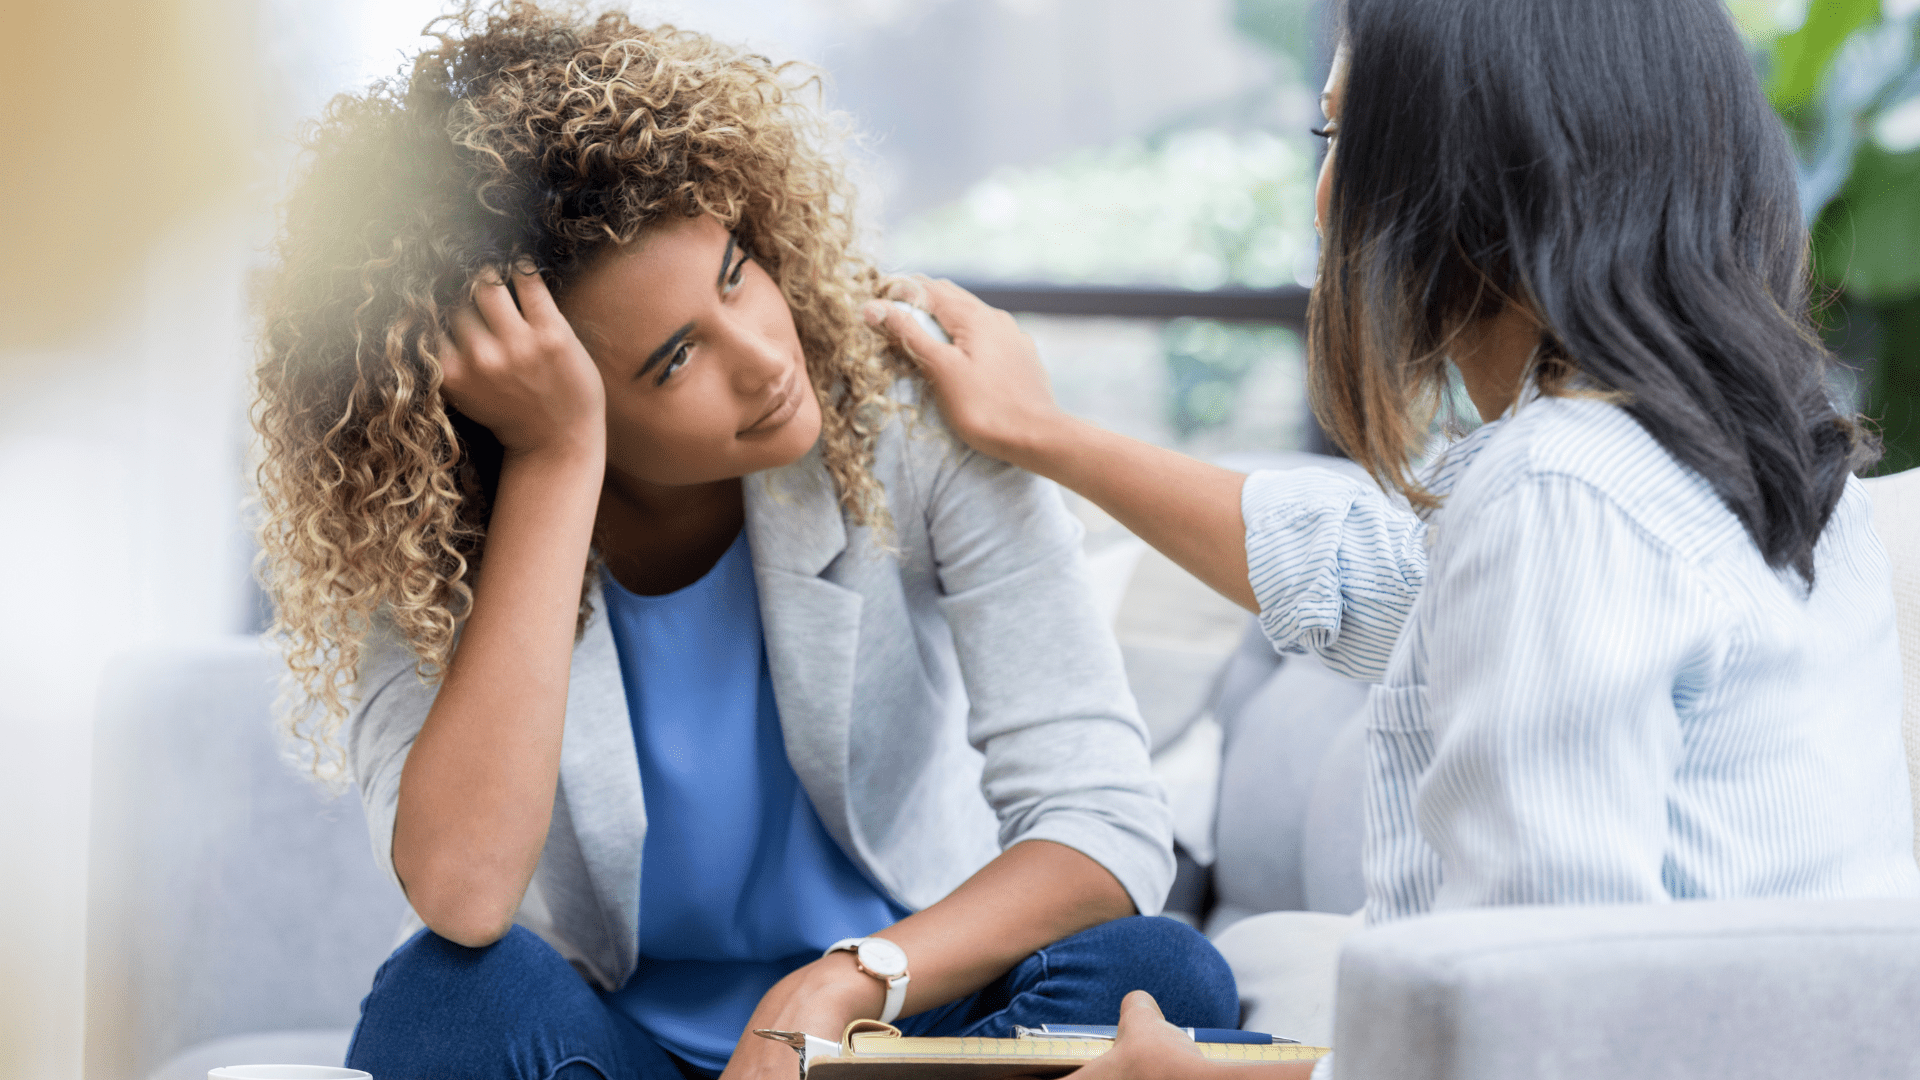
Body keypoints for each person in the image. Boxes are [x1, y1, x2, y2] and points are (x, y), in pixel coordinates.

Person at [865, 0, 1920, 1076]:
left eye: (1344, 140)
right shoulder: (1770, 474)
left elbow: (1540, 1023)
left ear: (1479, 169)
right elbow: (1372, 581)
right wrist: (1042, 435)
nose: (1326, 201)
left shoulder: (1561, 494)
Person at [250, 5, 1237, 1079]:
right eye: (674, 360)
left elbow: (1101, 820)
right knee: (445, 999)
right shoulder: (430, 534)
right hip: (611, 1048)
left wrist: (846, 980)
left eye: (735, 274)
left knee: (1162, 977)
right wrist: (552, 465)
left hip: (897, 1031)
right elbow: (463, 893)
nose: (766, 359)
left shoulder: (912, 426)